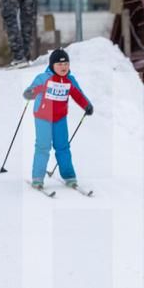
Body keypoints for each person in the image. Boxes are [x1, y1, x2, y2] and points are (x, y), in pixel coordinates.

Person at [22, 46, 93, 192]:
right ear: (52, 65)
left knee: (63, 146)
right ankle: (37, 178)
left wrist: (87, 105)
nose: (63, 67)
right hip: (43, 116)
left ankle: (69, 176)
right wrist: (30, 93)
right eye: (60, 64)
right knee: (43, 146)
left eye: (66, 64)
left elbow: (79, 94)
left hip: (60, 117)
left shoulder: (69, 80)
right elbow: (31, 90)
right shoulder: (43, 78)